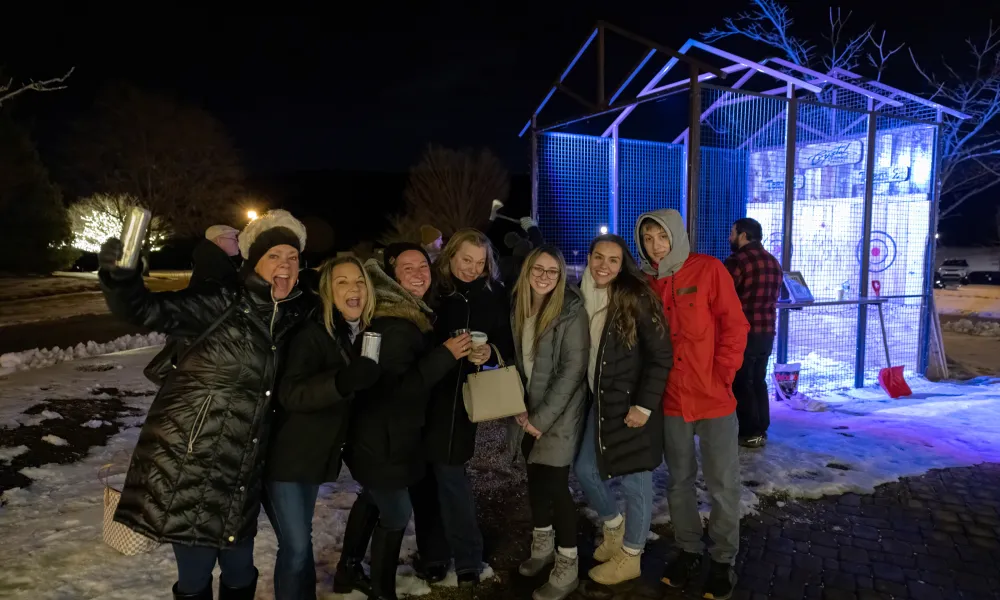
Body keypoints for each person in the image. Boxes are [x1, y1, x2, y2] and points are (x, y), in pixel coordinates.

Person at [98, 209, 313, 600]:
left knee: (239, 569)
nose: (285, 265)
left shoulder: (293, 314)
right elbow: (142, 309)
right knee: (196, 576)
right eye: (274, 257)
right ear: (253, 262)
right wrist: (122, 277)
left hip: (244, 467)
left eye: (293, 258)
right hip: (192, 462)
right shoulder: (220, 302)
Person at [341, 243, 472, 600]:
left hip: (379, 434)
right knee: (396, 513)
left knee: (372, 499)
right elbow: (398, 391)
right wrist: (444, 355)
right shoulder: (394, 324)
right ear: (391, 276)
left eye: (423, 266)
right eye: (407, 268)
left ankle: (347, 571)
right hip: (387, 438)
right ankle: (382, 591)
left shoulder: (405, 313)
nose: (419, 273)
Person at [634, 209, 749, 600]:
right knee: (679, 481)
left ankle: (722, 559)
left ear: (676, 236)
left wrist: (723, 374)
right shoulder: (646, 282)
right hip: (670, 400)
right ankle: (688, 549)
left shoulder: (709, 269)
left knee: (722, 484)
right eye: (647, 239)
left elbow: (735, 325)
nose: (655, 246)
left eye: (661, 237)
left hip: (713, 398)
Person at [264, 256, 381, 600]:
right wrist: (342, 382)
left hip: (312, 457)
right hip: (285, 457)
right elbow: (290, 393)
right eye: (342, 282)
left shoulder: (349, 331)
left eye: (359, 281)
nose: (353, 288)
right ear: (328, 290)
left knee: (300, 540)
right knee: (296, 546)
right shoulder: (313, 333)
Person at [416, 228, 515, 587]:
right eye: (465, 260)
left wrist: (489, 354)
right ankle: (434, 553)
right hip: (420, 393)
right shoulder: (432, 290)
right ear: (450, 257)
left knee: (450, 475)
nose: (472, 269)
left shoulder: (496, 295)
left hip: (460, 400)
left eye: (480, 262)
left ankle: (468, 556)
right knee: (423, 479)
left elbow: (507, 340)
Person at [574, 234, 673, 585]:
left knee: (637, 479)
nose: (604, 265)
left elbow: (661, 355)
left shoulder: (636, 296)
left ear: (623, 263)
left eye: (613, 260)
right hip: (600, 400)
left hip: (633, 404)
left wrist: (644, 406)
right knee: (585, 468)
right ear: (589, 258)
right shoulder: (581, 293)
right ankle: (614, 526)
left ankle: (631, 555)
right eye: (598, 257)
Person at [510, 245, 589, 600]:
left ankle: (568, 565)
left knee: (556, 489)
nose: (543, 276)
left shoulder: (571, 311)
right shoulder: (521, 307)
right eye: (537, 269)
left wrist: (540, 419)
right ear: (527, 271)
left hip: (559, 415)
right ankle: (542, 547)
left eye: (552, 271)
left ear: (560, 276)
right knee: (535, 482)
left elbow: (571, 372)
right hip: (527, 412)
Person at [725, 218, 783, 449]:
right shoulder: (773, 262)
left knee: (741, 382)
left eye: (732, 232)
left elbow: (722, 296)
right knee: (758, 380)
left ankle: (749, 432)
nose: (730, 237)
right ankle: (761, 429)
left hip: (741, 332)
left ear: (743, 235)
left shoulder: (737, 261)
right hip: (766, 331)